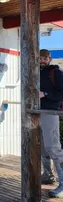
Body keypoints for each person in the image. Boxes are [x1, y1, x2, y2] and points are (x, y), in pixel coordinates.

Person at [40, 49, 63, 198]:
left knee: (53, 148)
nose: (42, 60)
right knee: (41, 148)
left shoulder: (56, 73)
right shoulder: (32, 71)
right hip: (34, 112)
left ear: (50, 58)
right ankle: (48, 175)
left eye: (45, 58)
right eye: (40, 58)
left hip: (49, 112)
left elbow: (61, 93)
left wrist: (46, 94)